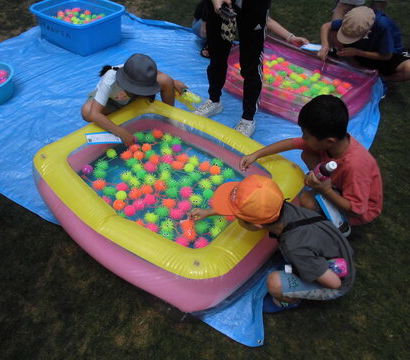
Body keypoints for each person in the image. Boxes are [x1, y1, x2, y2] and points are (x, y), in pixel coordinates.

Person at [189, 174, 355, 312]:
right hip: (332, 247)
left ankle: (287, 300)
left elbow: (335, 283)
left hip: (335, 280)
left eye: (238, 218)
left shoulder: (294, 247)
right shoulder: (282, 209)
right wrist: (209, 212)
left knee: (274, 282)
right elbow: (248, 211)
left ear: (256, 225)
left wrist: (306, 270)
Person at [239, 95, 383, 227]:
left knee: (306, 200)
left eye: (306, 136)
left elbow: (357, 210)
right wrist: (257, 155)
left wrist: (325, 189)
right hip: (339, 185)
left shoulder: (355, 166)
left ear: (328, 141)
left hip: (356, 210)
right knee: (307, 155)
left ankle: (336, 226)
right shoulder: (333, 143)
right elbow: (291, 143)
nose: (303, 139)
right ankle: (326, 189)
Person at [193, 0, 271, 138]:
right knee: (216, 55)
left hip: (253, 7)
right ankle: (214, 100)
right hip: (220, 7)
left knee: (251, 65)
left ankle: (248, 119)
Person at [81, 53, 187, 146]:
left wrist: (174, 82)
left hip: (132, 100)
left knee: (166, 80)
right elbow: (94, 114)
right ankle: (113, 120)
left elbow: (159, 74)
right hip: (112, 102)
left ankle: (168, 117)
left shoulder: (140, 73)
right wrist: (120, 132)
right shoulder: (110, 79)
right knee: (87, 111)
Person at [319, 6, 410, 82]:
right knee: (334, 33)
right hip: (359, 51)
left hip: (385, 55)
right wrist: (325, 46)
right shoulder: (353, 20)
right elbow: (326, 26)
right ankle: (356, 66)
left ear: (368, 31)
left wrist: (357, 52)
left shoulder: (383, 27)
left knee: (408, 69)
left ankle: (379, 81)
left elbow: (387, 56)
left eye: (351, 37)